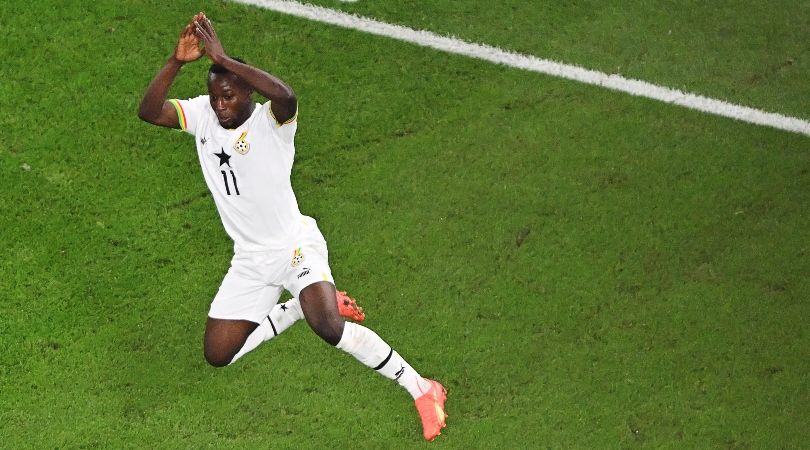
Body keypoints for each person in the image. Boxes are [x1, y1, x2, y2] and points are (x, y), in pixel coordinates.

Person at [137, 13, 447, 441]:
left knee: (330, 328)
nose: (220, 105)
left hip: (295, 246)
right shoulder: (205, 117)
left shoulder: (273, 122)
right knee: (218, 353)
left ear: (247, 90)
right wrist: (175, 61)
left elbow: (286, 94)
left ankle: (421, 388)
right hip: (250, 260)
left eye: (228, 95)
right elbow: (149, 111)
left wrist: (224, 57)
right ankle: (298, 306)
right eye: (214, 97)